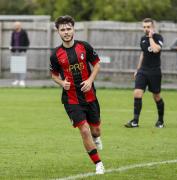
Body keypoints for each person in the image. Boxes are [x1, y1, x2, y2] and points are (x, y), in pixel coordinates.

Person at [50, 15, 105, 174]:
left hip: (90, 97)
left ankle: (97, 138)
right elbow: (53, 75)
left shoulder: (84, 46)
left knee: (96, 130)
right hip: (71, 99)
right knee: (85, 130)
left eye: (68, 29)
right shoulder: (55, 55)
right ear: (58, 32)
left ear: (73, 29)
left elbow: (97, 64)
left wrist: (90, 80)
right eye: (62, 30)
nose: (66, 32)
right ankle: (98, 164)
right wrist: (62, 83)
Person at [125, 18, 165, 128]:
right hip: (143, 71)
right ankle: (135, 121)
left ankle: (160, 121)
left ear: (153, 27)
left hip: (155, 72)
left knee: (156, 96)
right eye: (144, 27)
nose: (146, 29)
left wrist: (151, 37)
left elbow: (156, 49)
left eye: (148, 27)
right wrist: (137, 69)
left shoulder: (158, 37)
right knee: (137, 93)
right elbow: (143, 54)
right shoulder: (142, 39)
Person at [10, 21, 30, 87]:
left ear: (19, 26)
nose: (14, 26)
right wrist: (11, 48)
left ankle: (22, 80)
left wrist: (24, 49)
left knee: (22, 66)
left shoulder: (23, 32)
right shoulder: (13, 32)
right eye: (14, 25)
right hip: (15, 51)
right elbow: (12, 41)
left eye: (16, 25)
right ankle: (16, 80)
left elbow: (27, 42)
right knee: (15, 66)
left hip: (22, 51)